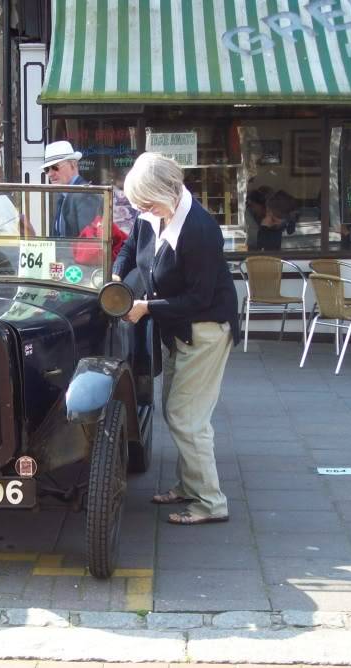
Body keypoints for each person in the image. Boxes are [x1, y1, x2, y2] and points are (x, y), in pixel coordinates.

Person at [113, 152, 240, 525]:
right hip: (179, 329)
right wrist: (117, 279)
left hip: (206, 330)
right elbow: (128, 249)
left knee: (187, 418)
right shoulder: (152, 211)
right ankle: (189, 486)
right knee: (176, 410)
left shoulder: (199, 228)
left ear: (168, 191)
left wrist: (146, 308)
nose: (142, 210)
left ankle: (210, 502)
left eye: (146, 202)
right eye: (138, 203)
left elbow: (199, 300)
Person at [42, 140, 101, 238]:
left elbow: (88, 244)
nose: (50, 174)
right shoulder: (63, 195)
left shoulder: (85, 195)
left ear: (73, 165)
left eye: (55, 167)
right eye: (47, 169)